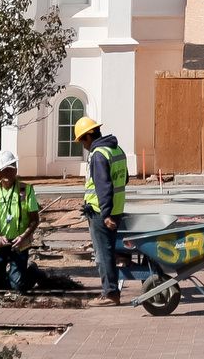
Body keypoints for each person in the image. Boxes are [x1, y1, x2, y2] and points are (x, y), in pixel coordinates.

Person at [74, 115, 130, 303]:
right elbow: (125, 179)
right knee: (109, 250)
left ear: (89, 136)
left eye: (82, 141)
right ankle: (111, 290)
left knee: (103, 253)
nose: (83, 146)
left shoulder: (98, 154)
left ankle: (110, 293)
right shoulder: (117, 150)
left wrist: (105, 214)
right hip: (117, 209)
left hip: (100, 212)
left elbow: (103, 187)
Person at [0, 156, 41, 294]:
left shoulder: (25, 190)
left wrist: (23, 236)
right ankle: (13, 278)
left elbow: (35, 220)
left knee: (18, 286)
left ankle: (31, 273)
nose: (6, 173)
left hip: (18, 244)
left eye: (10, 169)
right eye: (3, 170)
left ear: (15, 170)